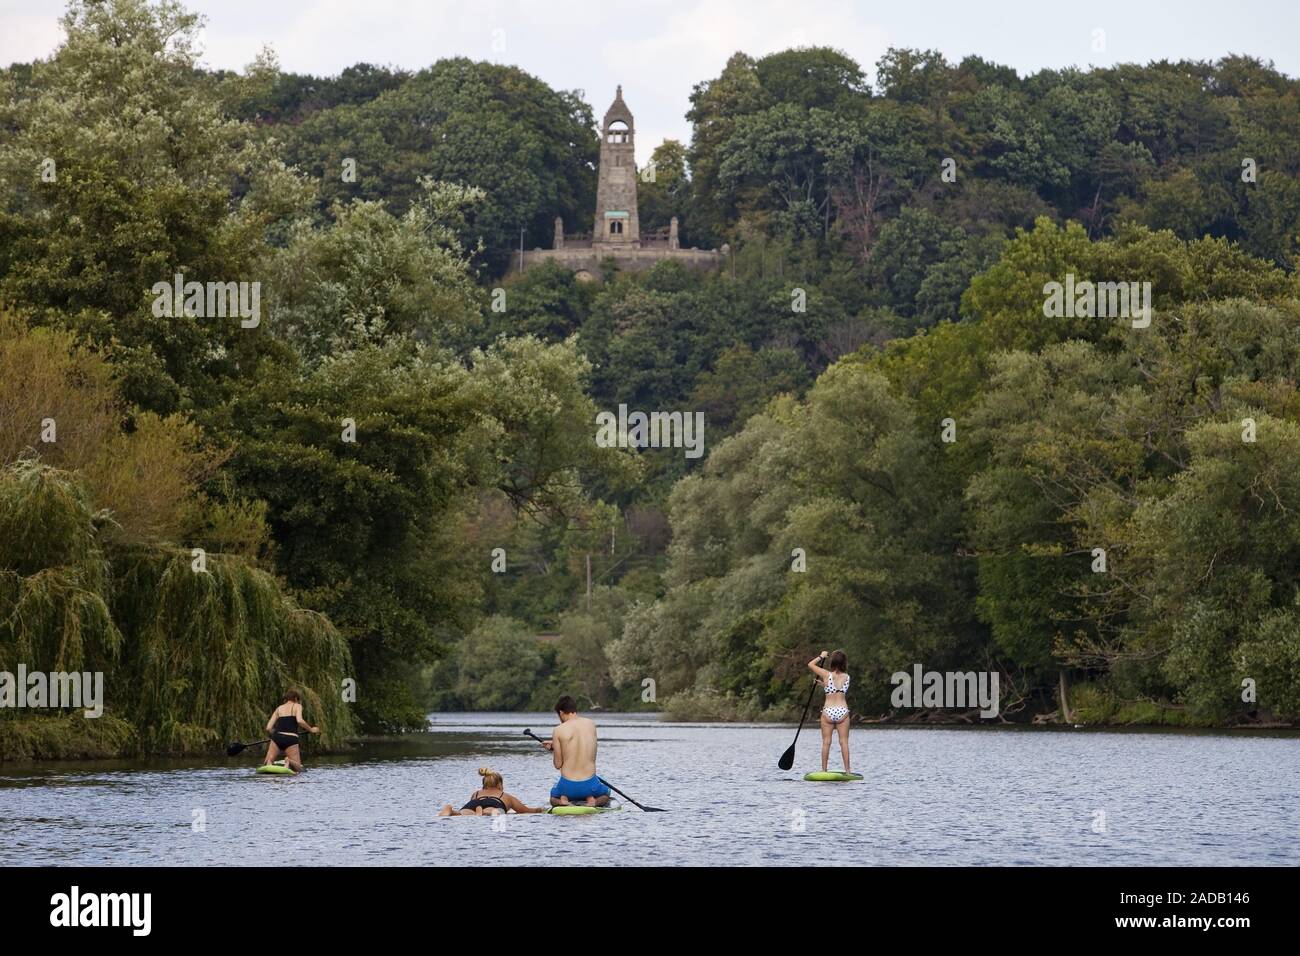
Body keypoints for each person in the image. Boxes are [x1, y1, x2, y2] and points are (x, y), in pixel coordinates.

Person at [538, 696, 610, 807]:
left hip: (568, 786)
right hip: (590, 783)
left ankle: (563, 801)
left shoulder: (558, 730)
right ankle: (593, 801)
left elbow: (558, 764)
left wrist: (555, 749)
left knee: (553, 798)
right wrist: (559, 747)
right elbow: (588, 752)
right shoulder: (591, 724)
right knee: (606, 793)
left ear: (561, 712)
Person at [438, 767, 546, 817]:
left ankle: (450, 810)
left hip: (474, 804)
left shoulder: (476, 794)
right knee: (494, 811)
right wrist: (540, 809)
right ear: (499, 784)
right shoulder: (505, 796)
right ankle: (485, 812)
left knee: (463, 813)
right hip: (495, 804)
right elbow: (525, 811)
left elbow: (473, 804)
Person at [808, 650, 851, 773]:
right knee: (844, 742)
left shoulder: (826, 675)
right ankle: (848, 771)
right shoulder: (847, 677)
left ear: (832, 662)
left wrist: (821, 657)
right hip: (843, 711)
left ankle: (824, 770)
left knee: (826, 742)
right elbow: (838, 690)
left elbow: (810, 664)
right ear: (844, 663)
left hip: (828, 711)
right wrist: (823, 685)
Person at [264, 689, 319, 773]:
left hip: (276, 737)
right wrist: (311, 729)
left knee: (267, 762)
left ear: (286, 699)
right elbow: (300, 721)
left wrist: (277, 735)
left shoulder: (279, 708)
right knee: (298, 768)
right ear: (296, 699)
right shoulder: (297, 706)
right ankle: (288, 761)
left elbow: (268, 728)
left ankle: (270, 761)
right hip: (291, 738)